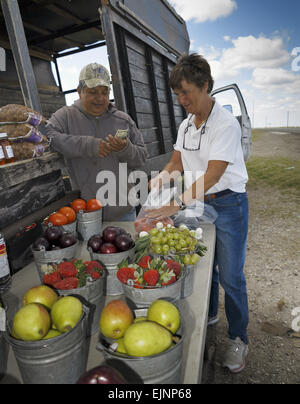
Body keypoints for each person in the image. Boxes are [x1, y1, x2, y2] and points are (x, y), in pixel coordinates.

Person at [146, 53, 249, 373]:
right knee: (206, 264)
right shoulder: (186, 125)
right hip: (202, 201)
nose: (182, 99)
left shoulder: (225, 124)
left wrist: (176, 203)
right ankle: (211, 315)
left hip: (229, 203)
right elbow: (177, 164)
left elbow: (214, 174)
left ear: (206, 86)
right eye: (178, 94)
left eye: (187, 92)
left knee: (231, 276)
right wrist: (159, 182)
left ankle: (238, 338)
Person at [46, 63, 147, 222]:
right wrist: (88, 146)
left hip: (124, 211)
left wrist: (125, 148)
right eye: (93, 92)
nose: (100, 98)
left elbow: (141, 158)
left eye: (104, 92)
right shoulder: (65, 116)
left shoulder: (123, 120)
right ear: (79, 91)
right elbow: (48, 136)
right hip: (86, 213)